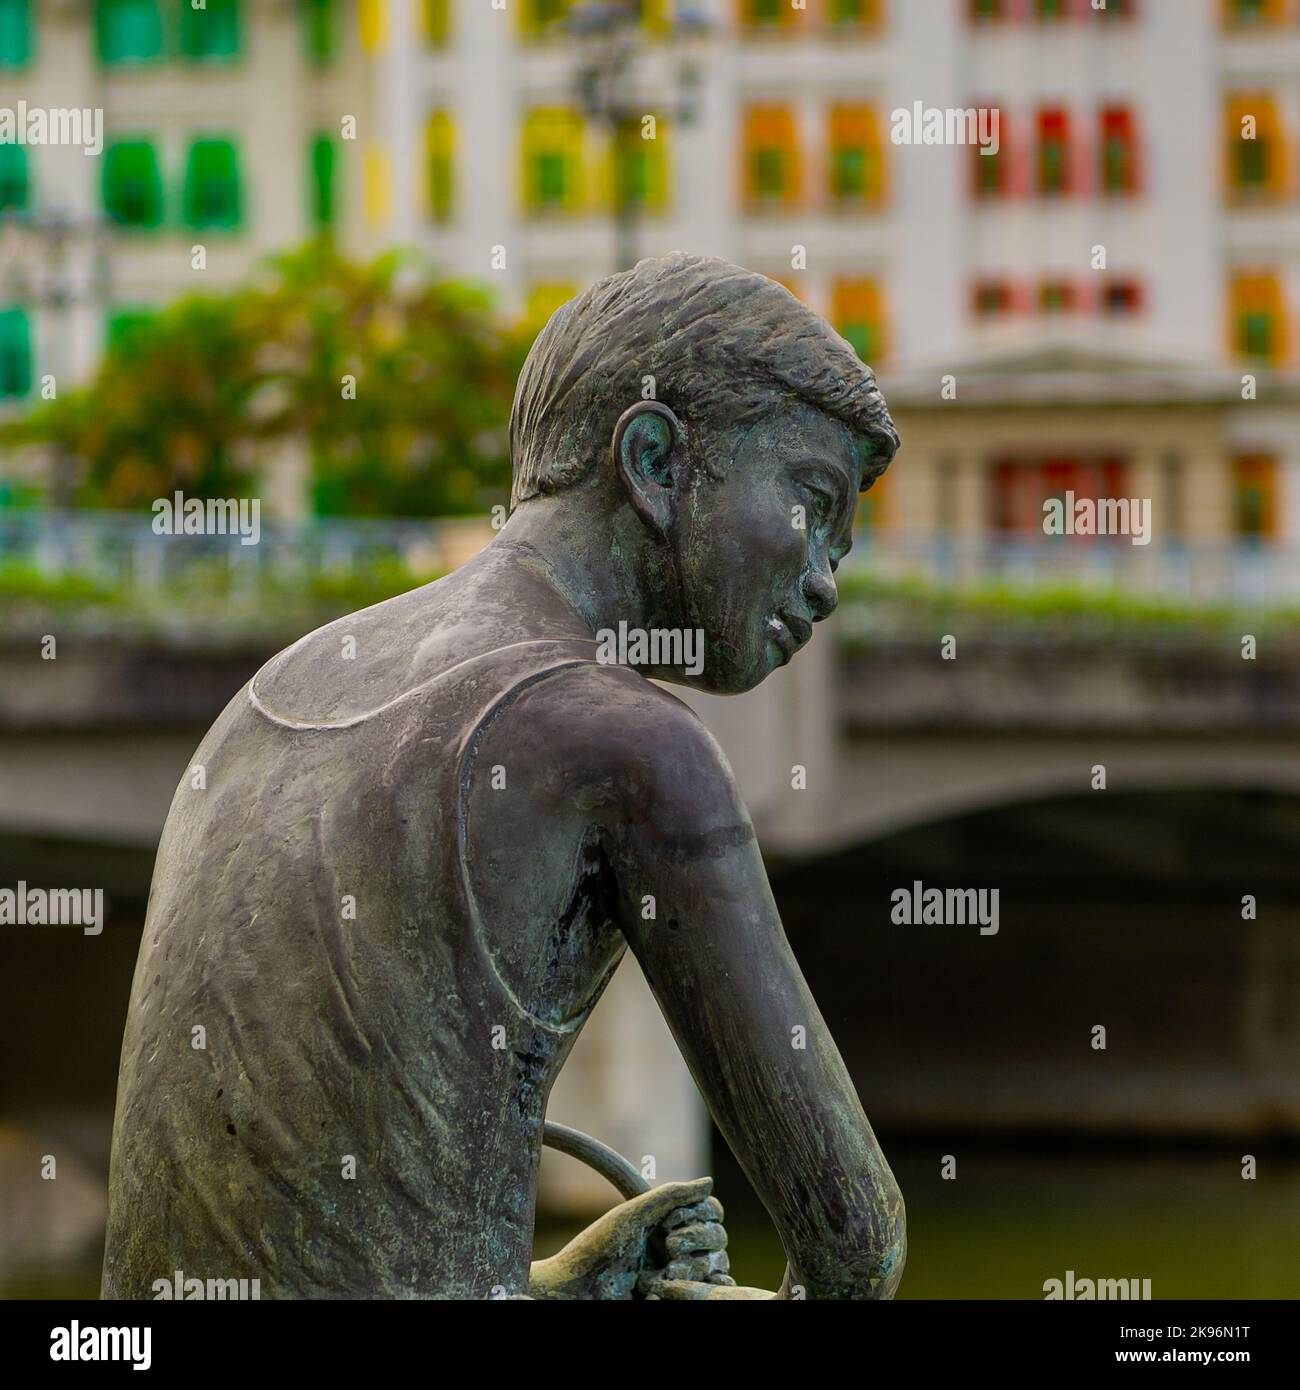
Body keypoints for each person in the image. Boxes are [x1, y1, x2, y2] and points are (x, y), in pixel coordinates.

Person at [102, 253, 905, 1300]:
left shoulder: (267, 699)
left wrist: (554, 1285)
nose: (826, 582)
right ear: (656, 462)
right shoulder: (633, 747)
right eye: (812, 502)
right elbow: (854, 1247)